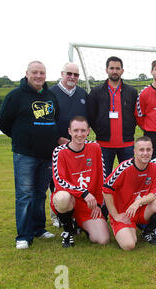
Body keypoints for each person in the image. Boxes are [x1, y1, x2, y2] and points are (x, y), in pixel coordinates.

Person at [0, 61, 59, 249]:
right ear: (27, 73)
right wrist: (21, 138)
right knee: (25, 194)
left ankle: (39, 229)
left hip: (47, 155)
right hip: (25, 155)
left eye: (42, 72)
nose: (38, 76)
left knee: (40, 194)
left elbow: (54, 119)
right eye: (35, 72)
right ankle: (24, 235)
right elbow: (2, 122)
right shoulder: (15, 95)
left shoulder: (50, 96)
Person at [51, 116, 110, 248]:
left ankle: (80, 224)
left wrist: (99, 204)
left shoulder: (95, 147)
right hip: (70, 200)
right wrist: (83, 192)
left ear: (88, 131)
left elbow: (102, 177)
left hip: (89, 204)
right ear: (69, 131)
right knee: (62, 197)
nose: (79, 134)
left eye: (83, 130)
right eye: (75, 130)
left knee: (103, 239)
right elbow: (59, 181)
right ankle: (68, 230)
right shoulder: (59, 151)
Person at [103, 136, 156, 250]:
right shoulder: (124, 168)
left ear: (152, 151)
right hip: (124, 214)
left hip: (141, 210)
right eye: (141, 150)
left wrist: (138, 202)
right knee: (129, 245)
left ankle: (147, 232)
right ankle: (125, 226)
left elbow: (155, 194)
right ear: (135, 151)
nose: (145, 153)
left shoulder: (155, 167)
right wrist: (115, 215)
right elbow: (106, 189)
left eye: (148, 150)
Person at [49, 62, 88, 227]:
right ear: (62, 73)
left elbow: (87, 118)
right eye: (69, 74)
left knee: (77, 177)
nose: (72, 77)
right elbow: (46, 120)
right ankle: (57, 213)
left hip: (78, 145)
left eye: (76, 75)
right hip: (57, 144)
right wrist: (58, 138)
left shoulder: (82, 93)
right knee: (56, 179)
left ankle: (75, 214)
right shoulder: (50, 93)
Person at [87, 56, 139, 177]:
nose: (114, 71)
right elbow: (91, 115)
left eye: (117, 68)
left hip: (127, 144)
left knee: (128, 177)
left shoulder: (131, 91)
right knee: (103, 178)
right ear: (106, 70)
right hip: (103, 144)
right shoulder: (96, 91)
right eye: (112, 68)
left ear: (122, 70)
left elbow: (135, 115)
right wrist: (101, 130)